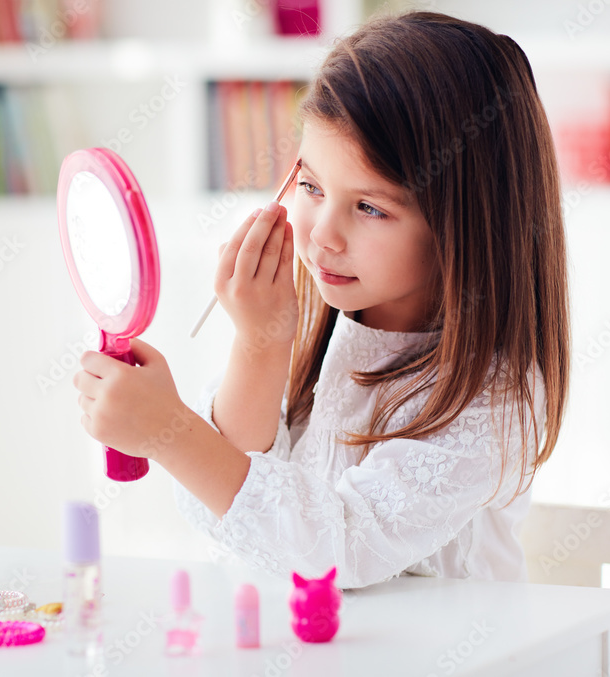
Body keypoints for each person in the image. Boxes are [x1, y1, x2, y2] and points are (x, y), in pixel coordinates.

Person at [72, 10, 569, 588]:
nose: (321, 235)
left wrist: (172, 430)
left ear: (465, 228)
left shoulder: (496, 393)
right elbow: (226, 506)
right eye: (310, 186)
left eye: (370, 208)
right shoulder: (324, 330)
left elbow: (340, 551)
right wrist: (260, 343)